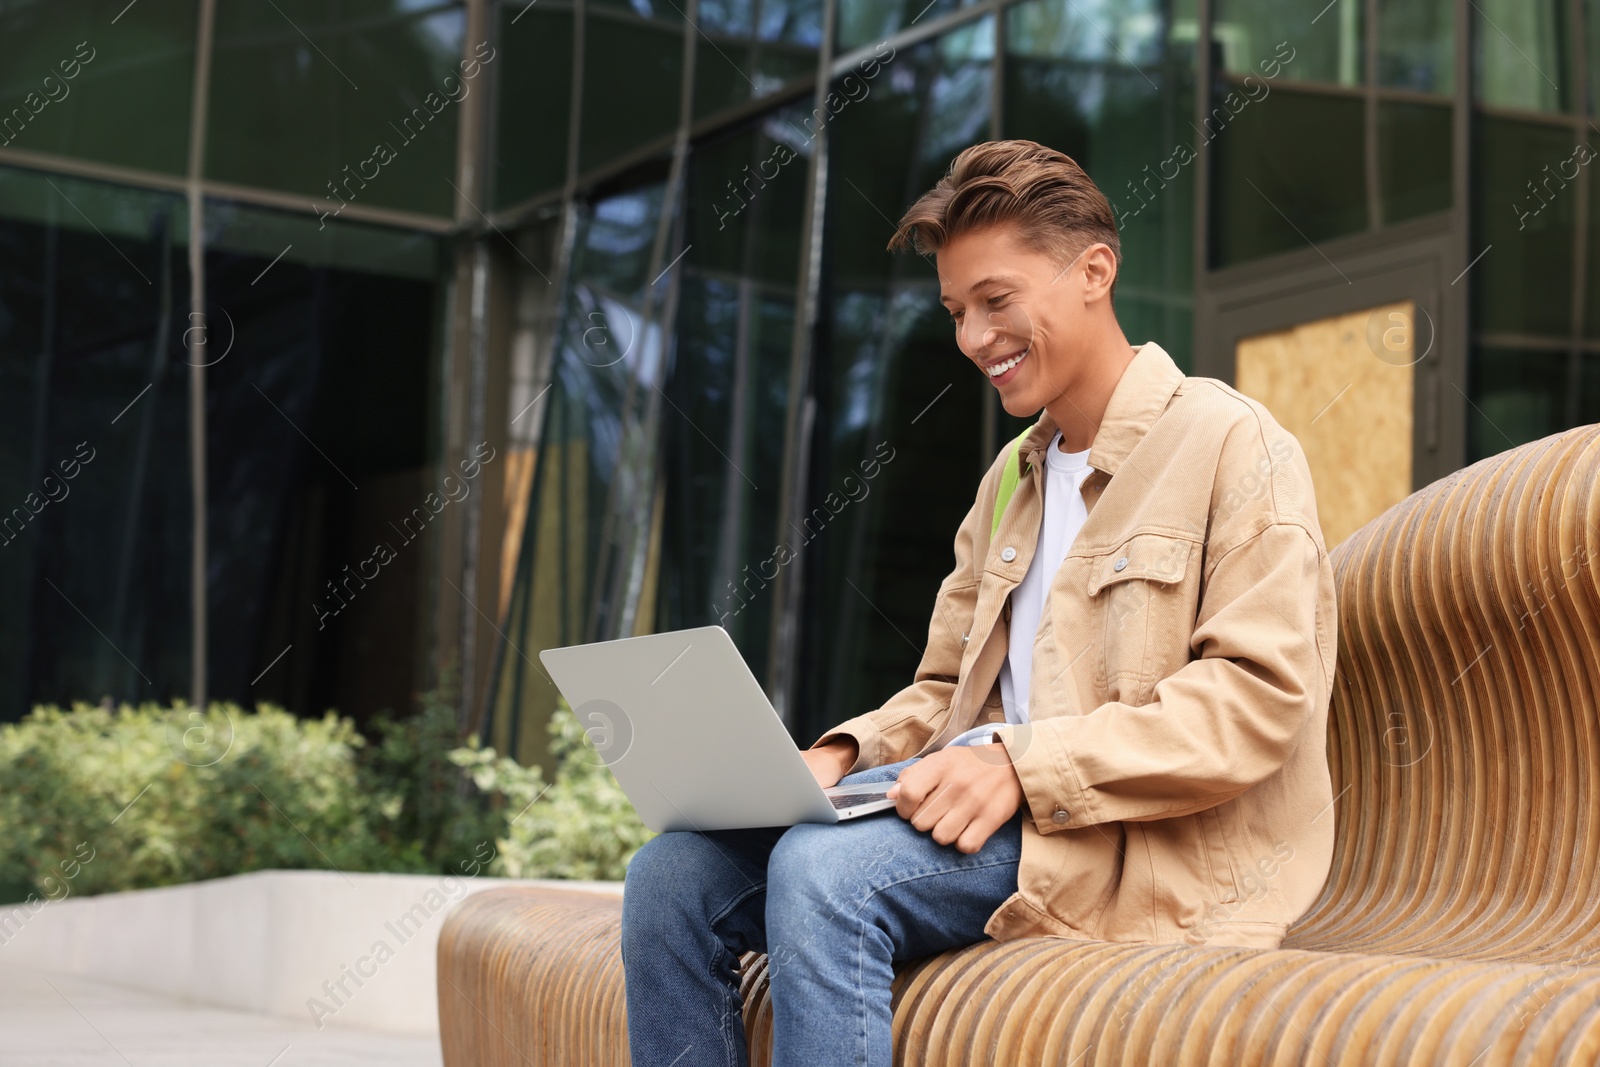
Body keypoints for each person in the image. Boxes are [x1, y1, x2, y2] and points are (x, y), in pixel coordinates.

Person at [620, 138, 1337, 1067]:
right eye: (958, 310)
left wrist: (1025, 763)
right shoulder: (1011, 479)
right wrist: (843, 752)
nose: (972, 338)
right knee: (671, 877)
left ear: (1094, 271)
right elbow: (946, 689)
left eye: (997, 301)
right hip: (985, 819)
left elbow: (1258, 702)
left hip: (1126, 849)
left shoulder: (1233, 444)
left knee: (823, 875)